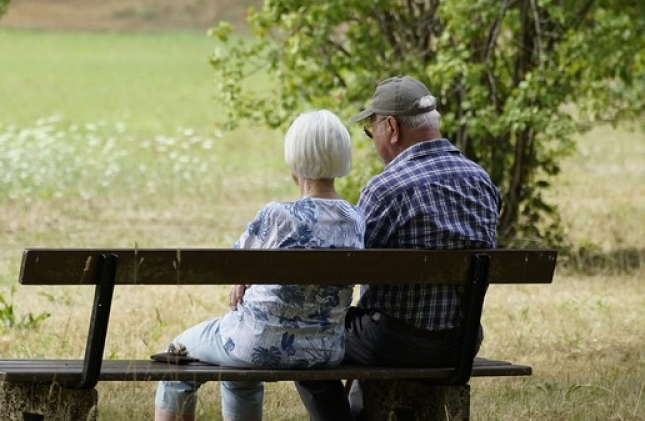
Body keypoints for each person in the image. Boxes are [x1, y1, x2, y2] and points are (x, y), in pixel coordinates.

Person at [295, 76, 502, 420]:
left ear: (391, 127)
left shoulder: (387, 188)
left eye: (370, 130)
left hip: (393, 343)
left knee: (305, 339)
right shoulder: (481, 181)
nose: (372, 140)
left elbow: (346, 268)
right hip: (461, 343)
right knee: (367, 327)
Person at [154, 109, 366, 421]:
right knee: (240, 374)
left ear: (293, 159)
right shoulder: (355, 218)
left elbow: (233, 264)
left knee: (178, 354)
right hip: (324, 350)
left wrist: (243, 278)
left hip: (255, 342)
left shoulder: (277, 216)